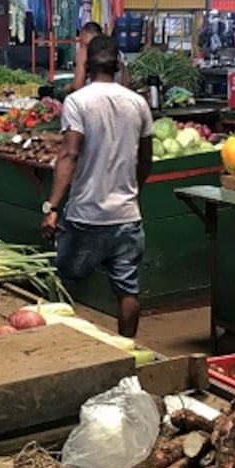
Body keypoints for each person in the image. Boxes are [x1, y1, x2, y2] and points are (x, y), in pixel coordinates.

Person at [43, 35, 153, 338]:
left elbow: (70, 154)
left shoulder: (78, 101)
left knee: (63, 284)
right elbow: (146, 159)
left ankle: (61, 346)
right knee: (128, 290)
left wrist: (52, 206)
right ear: (117, 65)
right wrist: (134, 192)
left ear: (87, 66)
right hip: (126, 216)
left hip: (86, 216)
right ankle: (128, 348)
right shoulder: (138, 103)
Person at [71, 21, 131, 92]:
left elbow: (77, 87)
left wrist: (81, 63)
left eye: (85, 45)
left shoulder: (92, 56)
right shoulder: (117, 53)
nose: (82, 48)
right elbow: (126, 84)